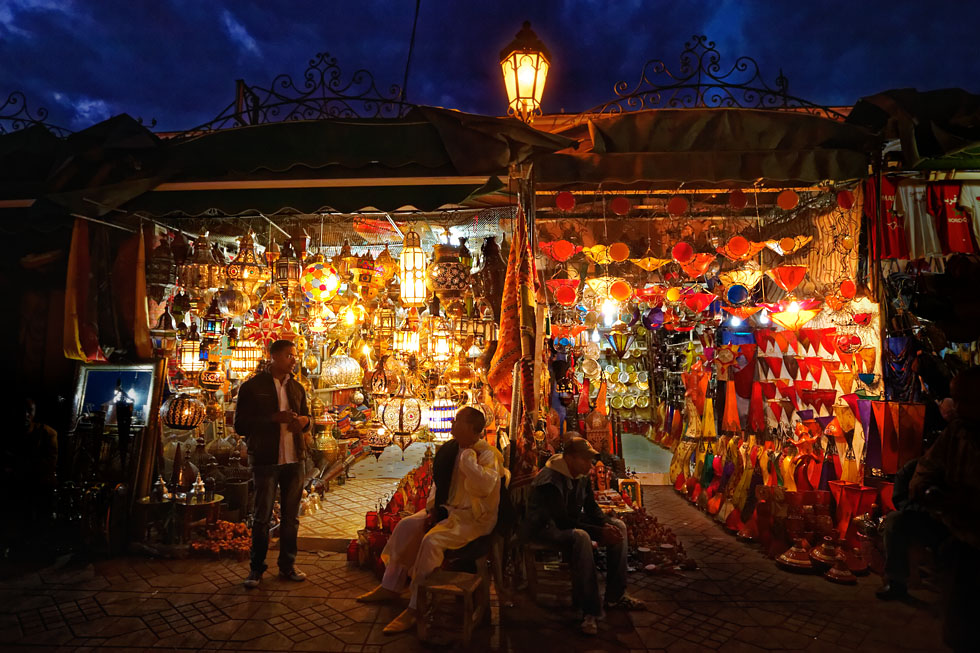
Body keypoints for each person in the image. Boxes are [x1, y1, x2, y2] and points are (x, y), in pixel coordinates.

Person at [356, 407, 507, 635]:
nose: (452, 424)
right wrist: (433, 509)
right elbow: (439, 483)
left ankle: (416, 606)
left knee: (432, 542)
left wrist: (468, 461)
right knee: (406, 526)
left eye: (458, 421)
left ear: (472, 428)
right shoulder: (450, 449)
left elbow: (486, 486)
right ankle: (390, 586)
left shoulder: (487, 454)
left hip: (473, 518)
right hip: (448, 510)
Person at [524, 436, 644, 636]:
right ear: (570, 458)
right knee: (581, 537)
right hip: (545, 528)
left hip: (568, 522)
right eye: (585, 459)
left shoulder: (581, 475)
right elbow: (562, 521)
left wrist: (606, 525)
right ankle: (589, 610)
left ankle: (615, 596)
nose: (590, 464)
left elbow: (591, 508)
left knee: (619, 526)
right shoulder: (550, 479)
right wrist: (599, 532)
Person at [908, 366, 980, 651]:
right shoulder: (958, 432)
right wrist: (928, 490)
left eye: (967, 400)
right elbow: (926, 470)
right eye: (957, 400)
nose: (959, 407)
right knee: (958, 624)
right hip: (959, 535)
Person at [234, 339, 312, 589]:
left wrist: (303, 422)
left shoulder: (298, 388)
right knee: (262, 517)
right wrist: (272, 419)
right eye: (290, 355)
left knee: (291, 517)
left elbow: (307, 418)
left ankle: (287, 565)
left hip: (294, 459)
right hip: (266, 459)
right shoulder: (253, 388)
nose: (294, 360)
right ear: (274, 357)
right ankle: (256, 569)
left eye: (295, 355)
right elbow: (240, 425)